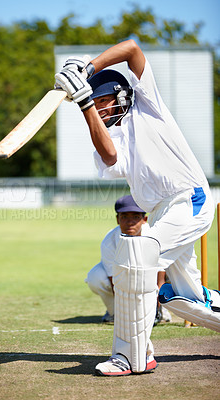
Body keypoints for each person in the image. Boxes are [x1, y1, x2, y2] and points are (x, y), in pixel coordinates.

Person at [55, 40, 220, 376]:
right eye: (95, 105)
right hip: (162, 211)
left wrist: (88, 70)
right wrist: (86, 104)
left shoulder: (148, 104)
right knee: (182, 301)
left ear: (122, 96)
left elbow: (131, 49)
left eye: (103, 102)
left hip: (188, 199)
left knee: (139, 263)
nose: (100, 111)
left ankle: (133, 355)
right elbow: (110, 157)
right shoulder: (109, 137)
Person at [85, 194, 171, 325]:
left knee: (175, 270)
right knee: (95, 277)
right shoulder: (110, 241)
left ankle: (162, 308)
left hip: (151, 277)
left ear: (144, 219)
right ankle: (114, 311)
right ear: (117, 219)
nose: (130, 222)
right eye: (124, 217)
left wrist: (156, 308)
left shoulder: (154, 237)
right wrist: (124, 313)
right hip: (125, 277)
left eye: (136, 217)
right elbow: (114, 280)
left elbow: (160, 276)